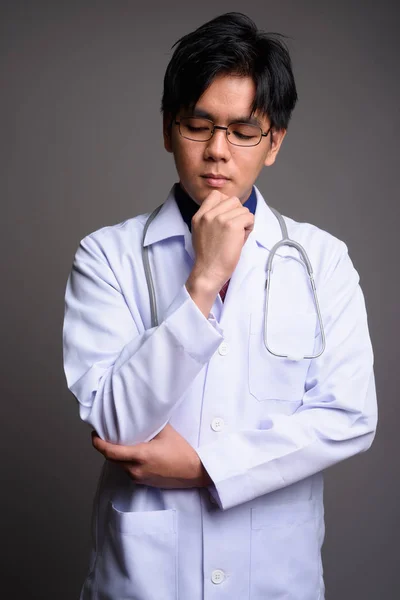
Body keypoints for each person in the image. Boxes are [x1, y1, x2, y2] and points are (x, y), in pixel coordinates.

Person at [63, 12, 377, 600]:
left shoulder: (322, 260)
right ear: (166, 128)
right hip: (146, 580)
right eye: (198, 125)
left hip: (274, 580)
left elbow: (349, 416)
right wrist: (202, 282)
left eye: (243, 130)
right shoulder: (107, 256)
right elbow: (114, 423)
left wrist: (208, 468)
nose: (217, 152)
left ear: (274, 142)